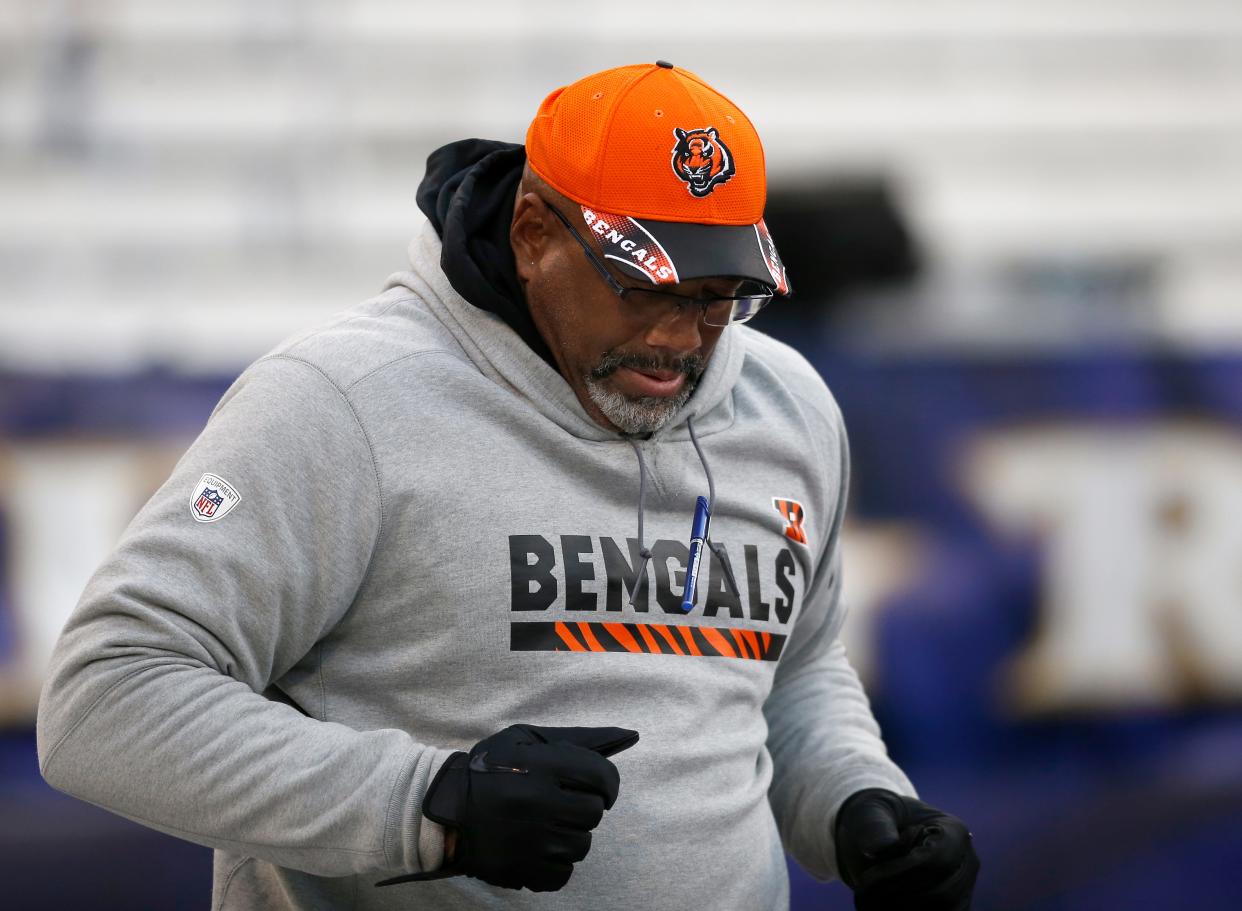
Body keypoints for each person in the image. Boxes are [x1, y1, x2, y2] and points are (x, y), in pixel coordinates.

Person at [36, 62, 978, 910]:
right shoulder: (340, 404)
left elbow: (796, 668)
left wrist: (857, 797)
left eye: (717, 292)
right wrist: (426, 800)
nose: (684, 334)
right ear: (533, 232)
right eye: (642, 283)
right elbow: (103, 698)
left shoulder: (789, 405)